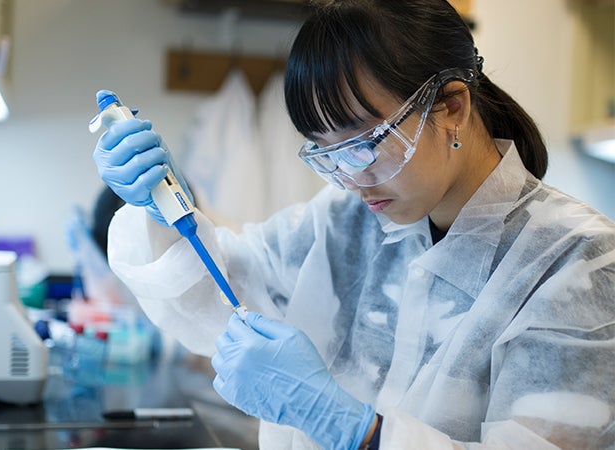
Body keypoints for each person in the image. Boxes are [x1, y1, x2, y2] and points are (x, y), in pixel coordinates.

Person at [92, 0, 615, 448]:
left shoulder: (577, 262)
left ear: (451, 106)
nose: (350, 179)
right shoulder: (344, 222)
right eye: (327, 154)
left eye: (364, 142)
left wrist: (353, 429)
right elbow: (222, 295)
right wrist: (162, 209)